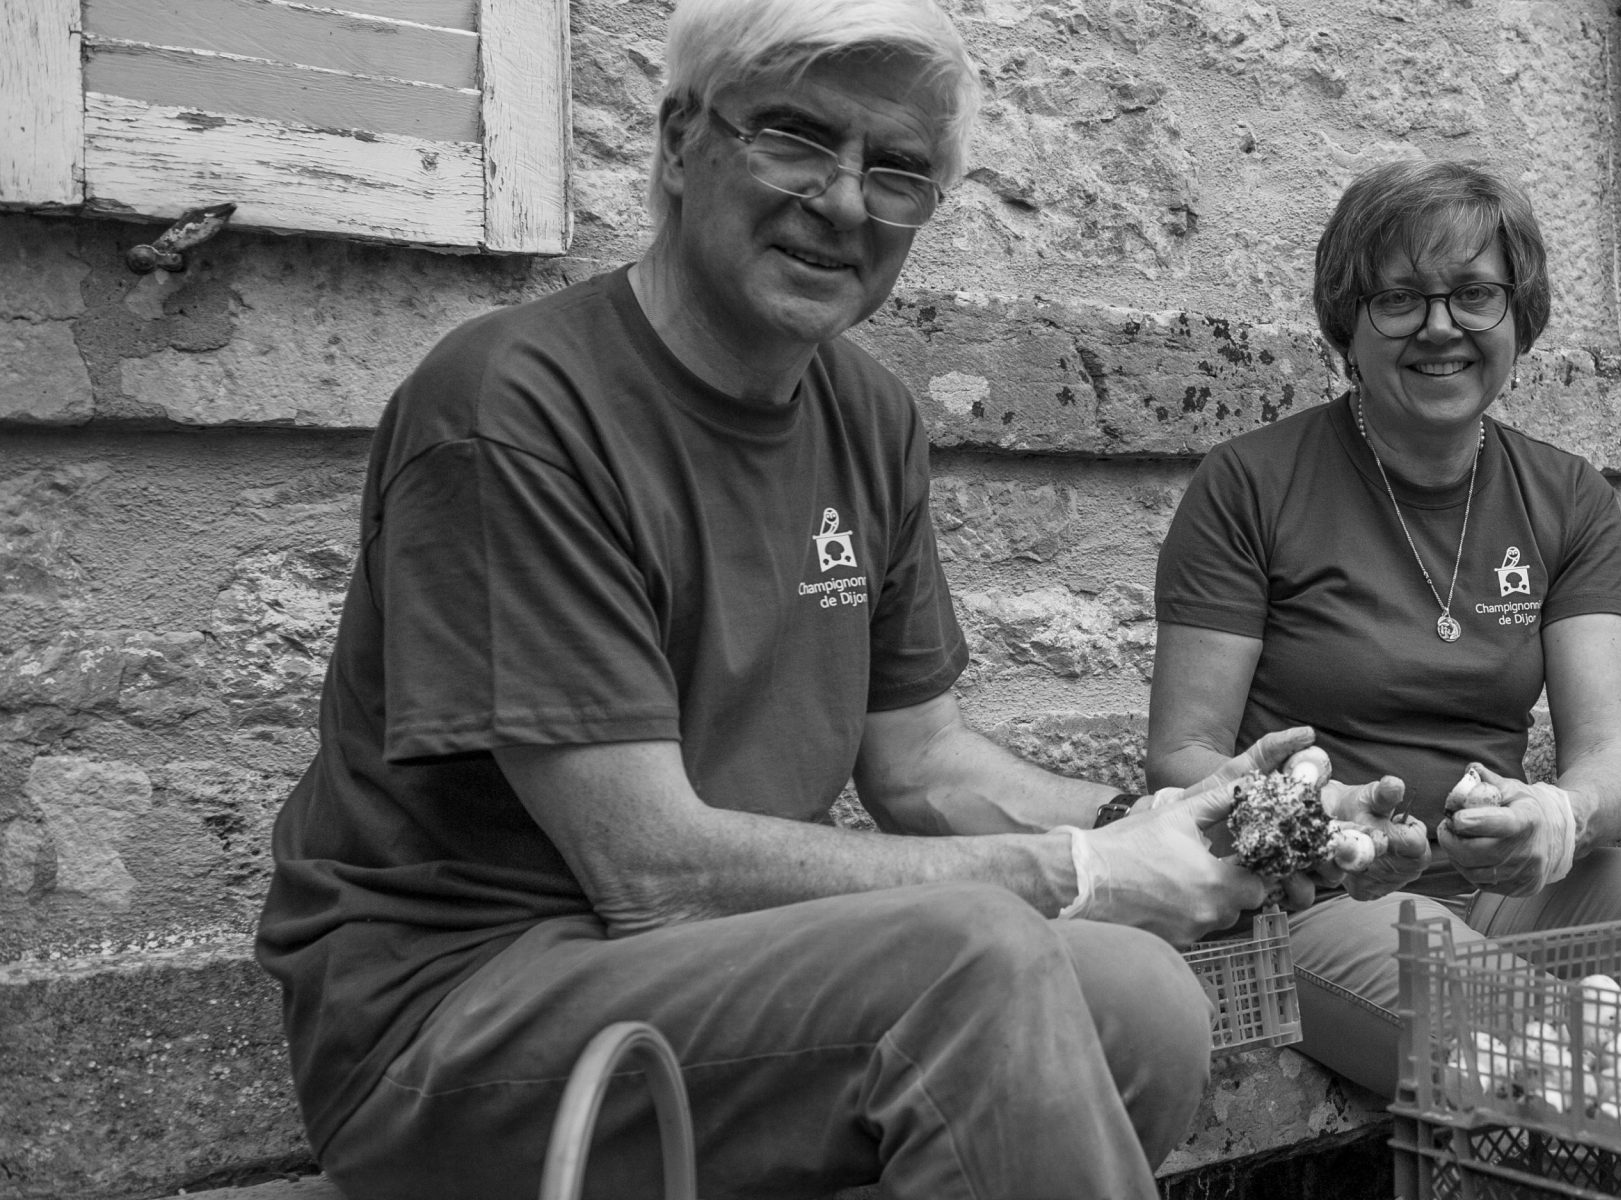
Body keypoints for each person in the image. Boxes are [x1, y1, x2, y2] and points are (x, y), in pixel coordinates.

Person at [254, 2, 1399, 1195]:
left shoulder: (867, 412)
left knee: (1144, 1002)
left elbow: (919, 768)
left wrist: (1174, 820)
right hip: (461, 1024)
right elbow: (648, 869)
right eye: (797, 139)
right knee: (980, 960)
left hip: (718, 976)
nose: (846, 202)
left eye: (896, 170)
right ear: (680, 141)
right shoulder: (513, 406)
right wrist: (1081, 873)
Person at [1147, 159, 1621, 1100]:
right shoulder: (1250, 483)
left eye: (1475, 294)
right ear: (1346, 325)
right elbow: (1182, 753)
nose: (1441, 327)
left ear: (1520, 316)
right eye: (1399, 299)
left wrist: (1552, 820)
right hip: (1315, 899)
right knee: (1523, 1034)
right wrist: (1327, 825)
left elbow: (1610, 760)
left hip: (1506, 891)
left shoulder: (1570, 496)